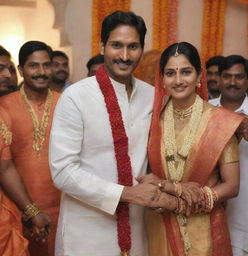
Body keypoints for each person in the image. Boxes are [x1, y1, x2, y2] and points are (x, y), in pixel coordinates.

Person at [49, 11, 173, 256]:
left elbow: (157, 151)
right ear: (102, 46)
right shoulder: (76, 97)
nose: (125, 56)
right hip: (86, 230)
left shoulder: (152, 96)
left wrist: (155, 180)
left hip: (137, 228)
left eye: (133, 47)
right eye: (117, 45)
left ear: (142, 48)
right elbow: (62, 171)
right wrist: (126, 194)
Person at [142, 42, 243, 256]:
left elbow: (232, 186)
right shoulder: (152, 121)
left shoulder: (222, 122)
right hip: (161, 225)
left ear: (199, 77)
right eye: (170, 73)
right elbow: (148, 174)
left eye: (186, 72)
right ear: (162, 79)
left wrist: (184, 202)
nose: (178, 80)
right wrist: (164, 192)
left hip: (205, 228)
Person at [0, 41, 61, 256]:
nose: (41, 72)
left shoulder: (67, 104)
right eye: (34, 66)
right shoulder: (4, 105)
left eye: (47, 65)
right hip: (18, 207)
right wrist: (30, 210)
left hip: (64, 207)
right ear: (21, 70)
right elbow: (4, 167)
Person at [210, 55, 248, 256]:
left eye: (239, 77)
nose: (232, 82)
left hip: (247, 214)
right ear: (218, 79)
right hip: (207, 209)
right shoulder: (204, 109)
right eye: (227, 76)